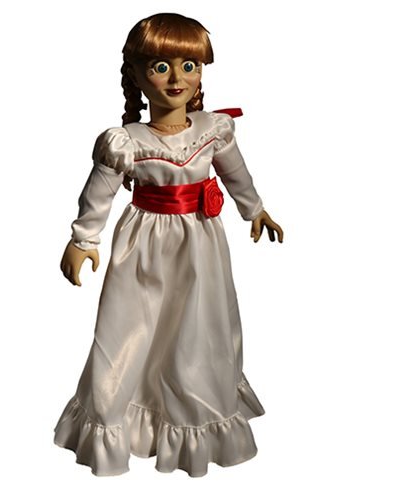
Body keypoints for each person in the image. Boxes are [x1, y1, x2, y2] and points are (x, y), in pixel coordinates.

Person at [54, 12, 283, 477]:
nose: (177, 78)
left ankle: (195, 405)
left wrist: (255, 209)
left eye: (188, 66)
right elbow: (98, 193)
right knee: (131, 326)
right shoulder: (126, 142)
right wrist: (84, 238)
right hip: (143, 244)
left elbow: (236, 175)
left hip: (199, 243)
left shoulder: (213, 130)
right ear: (136, 75)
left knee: (198, 325)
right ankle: (122, 409)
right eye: (160, 67)